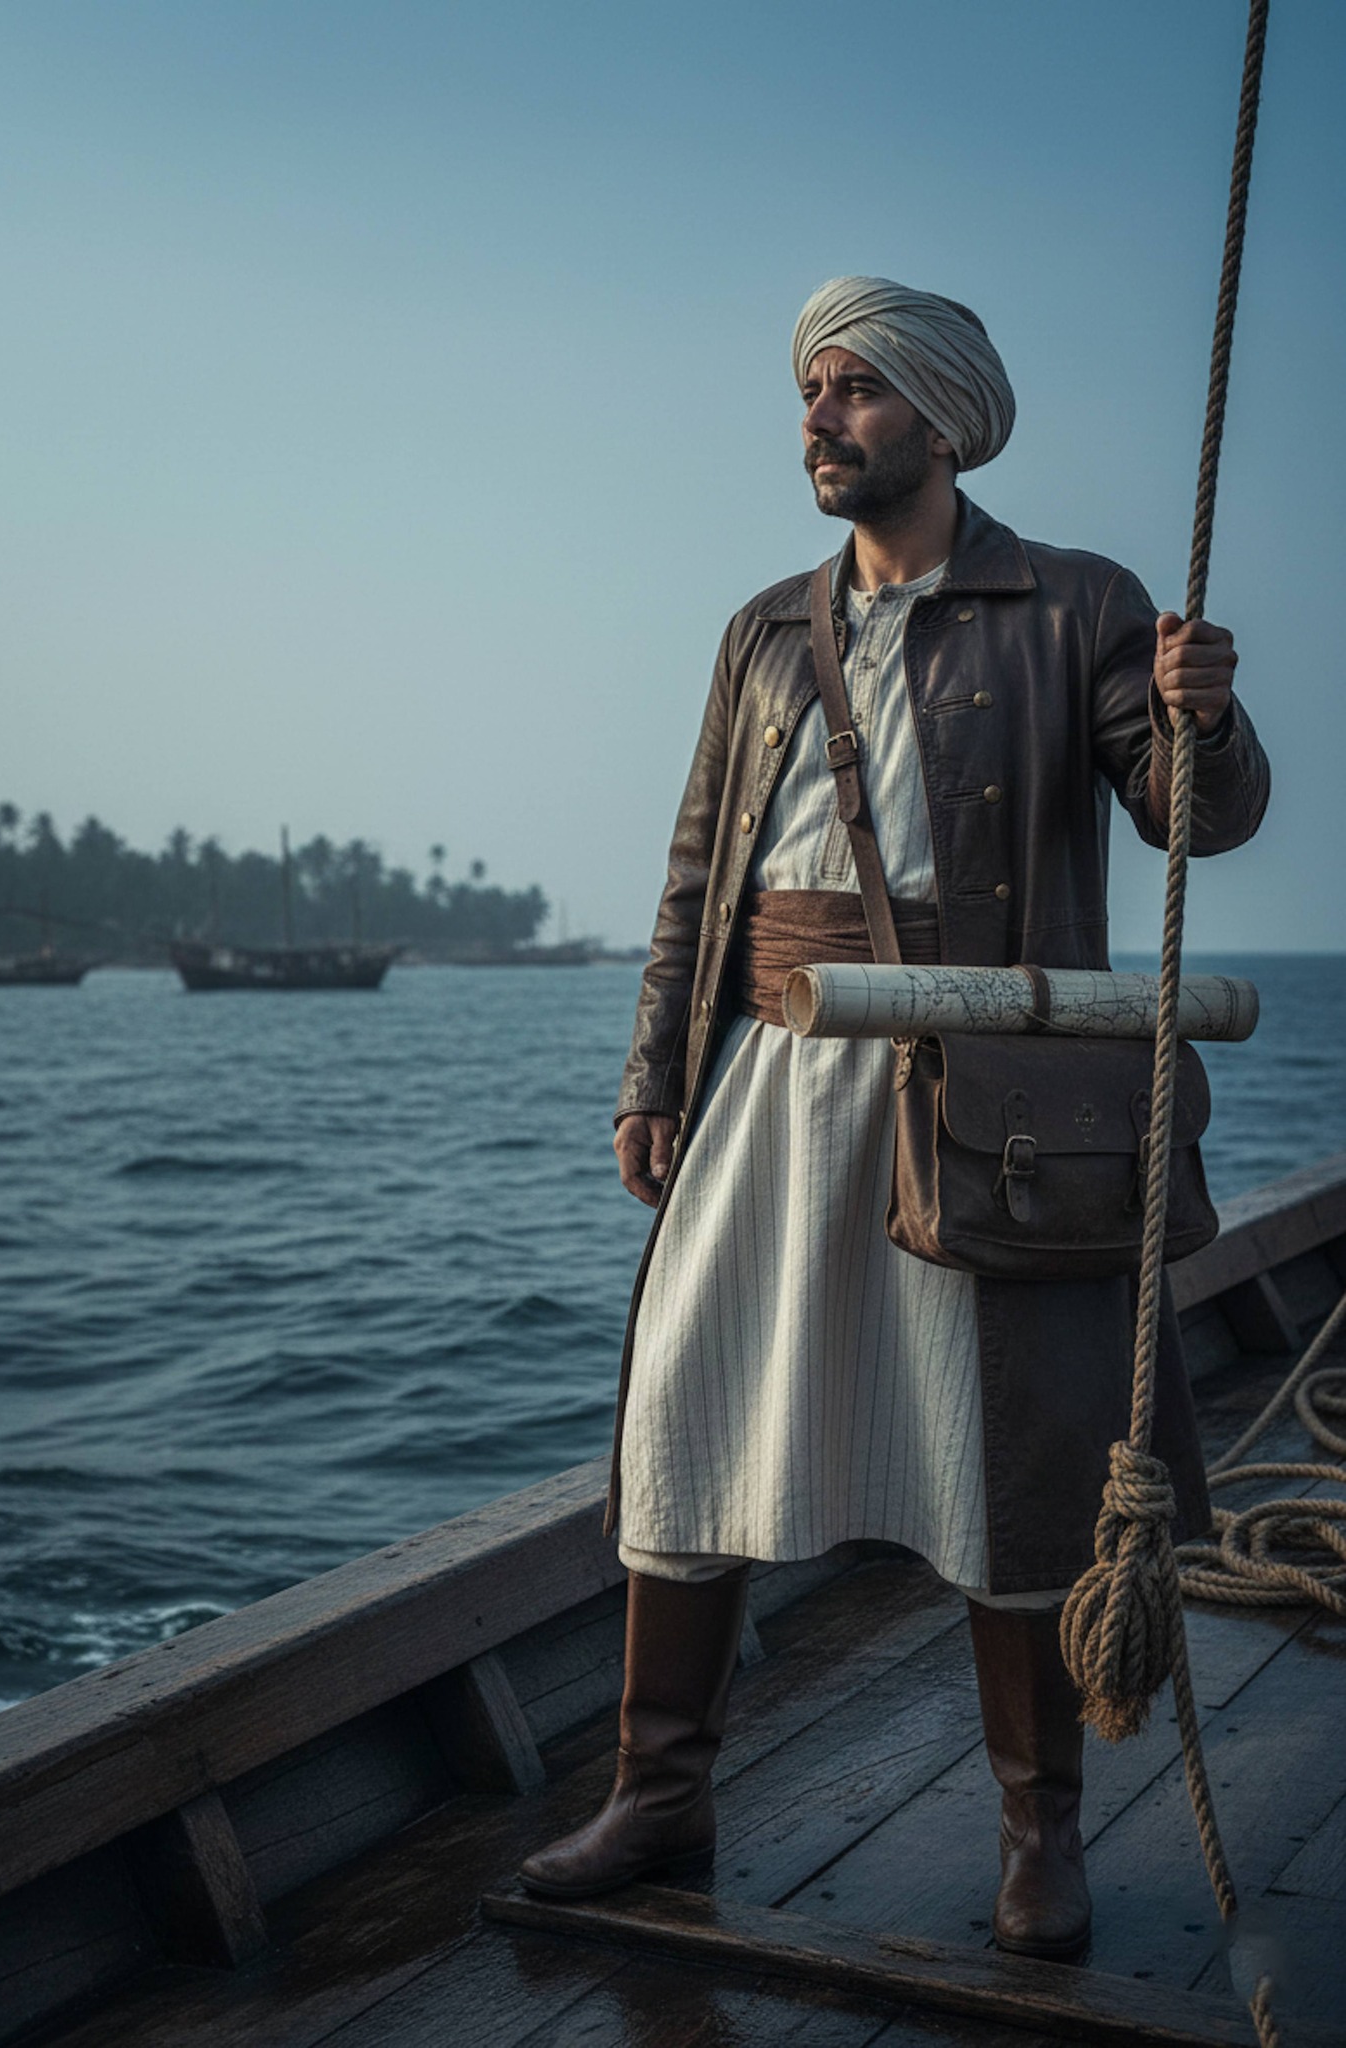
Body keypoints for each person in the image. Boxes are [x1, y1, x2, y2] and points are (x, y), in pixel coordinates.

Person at [518, 276, 1271, 1958]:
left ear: (940, 417)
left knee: (1004, 1456)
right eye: (812, 388)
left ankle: (1040, 1829)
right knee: (690, 1411)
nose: (819, 416)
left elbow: (1190, 817)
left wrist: (1204, 715)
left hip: (984, 1086)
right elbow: (700, 868)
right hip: (776, 1068)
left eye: (855, 390)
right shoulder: (765, 629)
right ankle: (662, 1794)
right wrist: (657, 1068)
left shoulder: (1079, 601)